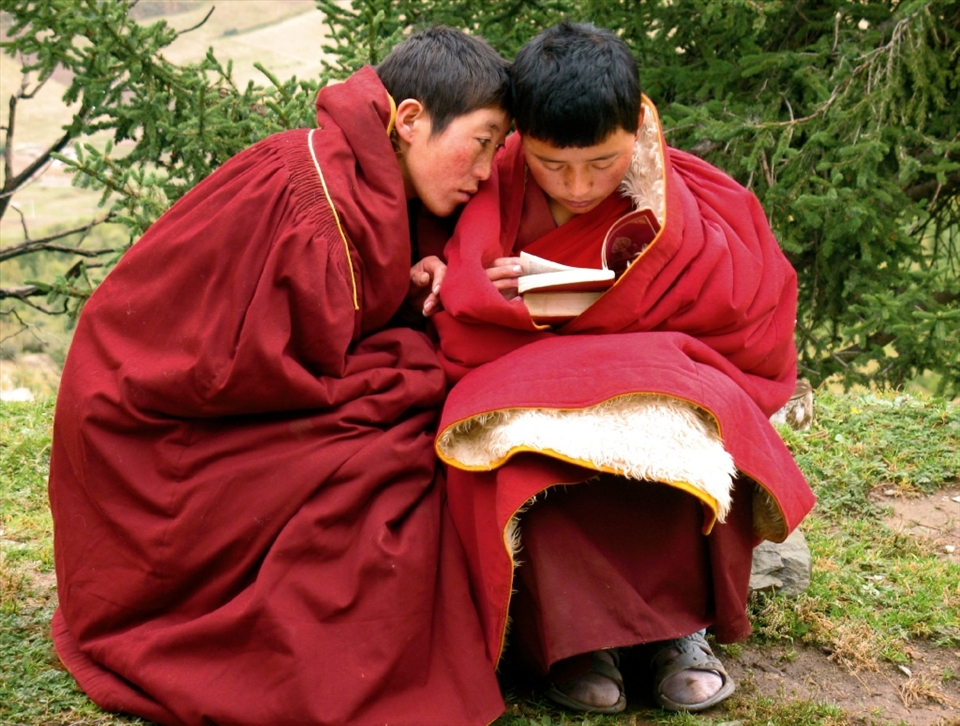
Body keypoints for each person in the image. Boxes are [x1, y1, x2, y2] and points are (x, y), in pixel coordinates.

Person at [47, 27, 510, 725]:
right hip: (150, 435)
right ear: (410, 120)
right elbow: (242, 371)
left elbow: (340, 313)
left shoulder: (361, 172)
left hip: (210, 404)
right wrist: (406, 362)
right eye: (482, 141)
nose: (485, 170)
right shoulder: (306, 199)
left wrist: (413, 285)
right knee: (386, 462)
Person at [428, 21, 816, 714]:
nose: (578, 187)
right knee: (521, 457)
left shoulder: (678, 197)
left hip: (658, 364)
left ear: (636, 127)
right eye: (552, 165)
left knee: (686, 414)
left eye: (602, 163)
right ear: (521, 138)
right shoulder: (491, 183)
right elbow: (462, 301)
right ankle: (579, 643)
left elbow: (737, 304)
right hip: (524, 372)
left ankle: (680, 632)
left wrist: (572, 286)